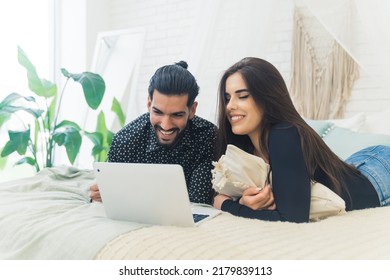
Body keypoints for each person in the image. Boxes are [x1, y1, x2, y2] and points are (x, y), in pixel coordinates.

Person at [213, 57, 390, 223]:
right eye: (227, 98)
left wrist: (225, 204)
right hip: (354, 166)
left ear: (267, 98)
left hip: (378, 172)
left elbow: (292, 218)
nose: (230, 106)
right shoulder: (241, 147)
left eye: (242, 96)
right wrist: (242, 203)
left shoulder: (283, 134)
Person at [90, 61, 218, 204]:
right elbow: (111, 197)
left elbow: (199, 201)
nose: (166, 125)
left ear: (192, 110)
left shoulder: (207, 137)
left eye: (177, 115)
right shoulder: (125, 141)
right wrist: (101, 195)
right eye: (158, 112)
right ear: (149, 104)